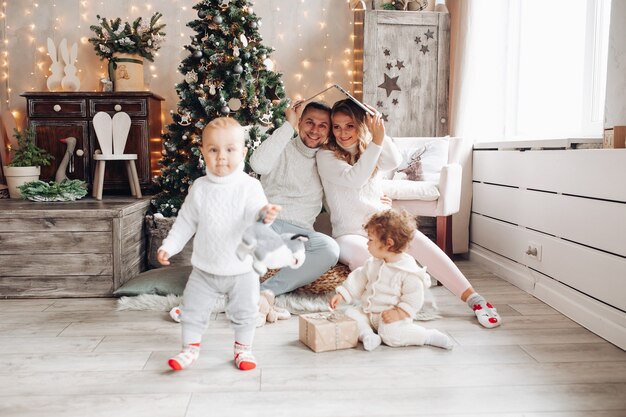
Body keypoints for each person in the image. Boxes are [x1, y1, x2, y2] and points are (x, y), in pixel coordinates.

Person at [317, 99, 501, 329]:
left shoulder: (370, 148)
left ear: (362, 125)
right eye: (337, 126)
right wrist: (376, 142)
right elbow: (355, 180)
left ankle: (475, 299)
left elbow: (394, 161)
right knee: (367, 260)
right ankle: (396, 307)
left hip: (382, 222)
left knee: (422, 244)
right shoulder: (326, 156)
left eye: (349, 125)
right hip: (349, 232)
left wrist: (380, 134)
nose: (342, 133)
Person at [157, 117, 281, 371]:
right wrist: (169, 246)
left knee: (246, 312)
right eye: (213, 150)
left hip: (241, 269)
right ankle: (189, 349)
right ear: (203, 152)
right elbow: (185, 222)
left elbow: (254, 215)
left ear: (244, 152)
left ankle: (243, 350)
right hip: (204, 269)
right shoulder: (200, 188)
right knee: (192, 309)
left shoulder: (249, 186)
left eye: (230, 149)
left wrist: (264, 215)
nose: (221, 156)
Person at [249, 100, 340, 323]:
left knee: (330, 248)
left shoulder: (327, 160)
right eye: (309, 122)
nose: (314, 130)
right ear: (300, 123)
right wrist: (288, 125)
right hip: (267, 222)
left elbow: (340, 197)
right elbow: (258, 165)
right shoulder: (282, 146)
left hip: (299, 233)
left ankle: (267, 292)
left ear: (328, 130)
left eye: (322, 125)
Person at [330, 210, 454, 351]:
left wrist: (400, 313)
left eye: (370, 240)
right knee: (351, 315)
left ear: (388, 243)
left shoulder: (408, 271)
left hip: (391, 317)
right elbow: (359, 277)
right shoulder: (373, 263)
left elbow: (413, 298)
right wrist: (343, 293)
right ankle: (367, 335)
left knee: (391, 335)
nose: (367, 244)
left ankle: (427, 336)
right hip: (368, 312)